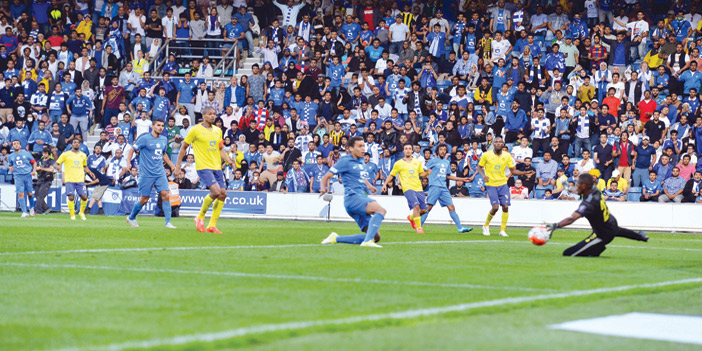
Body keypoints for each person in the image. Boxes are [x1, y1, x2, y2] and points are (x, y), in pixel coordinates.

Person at [545, 173, 649, 257]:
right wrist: (567, 187)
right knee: (618, 231)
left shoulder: (588, 204)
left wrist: (555, 226)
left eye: (579, 184)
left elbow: (572, 219)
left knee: (569, 253)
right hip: (610, 222)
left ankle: (598, 247)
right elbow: (578, 191)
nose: (577, 186)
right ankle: (640, 236)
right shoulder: (594, 190)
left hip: (603, 234)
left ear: (584, 186)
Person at [175, 107, 235, 234]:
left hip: (217, 167)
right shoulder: (195, 130)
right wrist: (178, 166)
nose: (213, 116)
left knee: (223, 194)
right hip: (203, 166)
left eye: (214, 114)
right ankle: (200, 217)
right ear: (204, 116)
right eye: (210, 114)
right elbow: (183, 148)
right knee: (217, 192)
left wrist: (228, 159)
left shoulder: (218, 131)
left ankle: (212, 225)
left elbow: (220, 149)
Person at [319, 136, 385, 248]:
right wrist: (323, 187)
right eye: (360, 146)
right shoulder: (344, 161)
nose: (363, 149)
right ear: (350, 148)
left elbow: (361, 177)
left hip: (360, 197)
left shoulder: (360, 161)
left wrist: (369, 186)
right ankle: (367, 242)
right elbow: (327, 176)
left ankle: (335, 238)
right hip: (354, 198)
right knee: (381, 210)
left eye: (363, 146)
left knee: (375, 237)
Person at [125, 118, 179, 229]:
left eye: (162, 125)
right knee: (144, 199)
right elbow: (132, 150)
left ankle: (168, 222)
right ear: (152, 126)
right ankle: (131, 217)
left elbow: (163, 154)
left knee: (166, 195)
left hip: (160, 172)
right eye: (158, 125)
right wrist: (128, 162)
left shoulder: (164, 139)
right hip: (146, 173)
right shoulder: (144, 138)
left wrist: (172, 165)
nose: (161, 127)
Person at [477, 136, 534, 237]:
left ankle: (502, 230)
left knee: (505, 207)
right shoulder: (486, 155)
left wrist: (525, 173)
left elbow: (513, 171)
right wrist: (483, 175)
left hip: (503, 183)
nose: (498, 143)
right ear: (493, 143)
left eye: (500, 142)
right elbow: (479, 167)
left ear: (503, 144)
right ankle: (486, 225)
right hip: (491, 184)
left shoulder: (507, 156)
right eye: (496, 142)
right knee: (495, 207)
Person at [419, 144, 473, 233]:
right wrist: (428, 175)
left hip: (444, 188)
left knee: (451, 207)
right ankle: (419, 226)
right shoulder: (433, 161)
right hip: (435, 187)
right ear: (437, 151)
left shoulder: (446, 162)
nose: (443, 151)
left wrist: (462, 179)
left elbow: (448, 176)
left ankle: (460, 228)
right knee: (428, 207)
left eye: (444, 149)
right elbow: (424, 169)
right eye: (441, 149)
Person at [382, 143, 429, 234]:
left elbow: (421, 173)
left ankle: (411, 218)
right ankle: (419, 228)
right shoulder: (398, 163)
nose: (407, 150)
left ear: (412, 151)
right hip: (407, 188)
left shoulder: (417, 162)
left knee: (424, 210)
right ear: (403, 151)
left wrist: (427, 173)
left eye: (409, 148)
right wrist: (385, 184)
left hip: (418, 187)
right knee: (416, 206)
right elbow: (392, 175)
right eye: (406, 148)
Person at [54, 138, 94, 220]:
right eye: (74, 142)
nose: (76, 144)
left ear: (79, 145)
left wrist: (90, 173)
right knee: (71, 197)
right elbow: (56, 164)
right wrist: (59, 168)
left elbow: (85, 166)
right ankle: (72, 215)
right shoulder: (65, 154)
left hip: (80, 179)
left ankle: (81, 213)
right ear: (71, 144)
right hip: (69, 179)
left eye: (78, 143)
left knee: (84, 197)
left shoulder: (83, 155)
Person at [8, 140, 37, 217]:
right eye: (14, 144)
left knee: (30, 194)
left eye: (18, 144)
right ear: (12, 146)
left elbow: (34, 162)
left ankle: (31, 208)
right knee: (20, 193)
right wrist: (11, 168)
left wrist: (34, 170)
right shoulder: (10, 156)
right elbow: (10, 165)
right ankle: (24, 212)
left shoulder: (27, 154)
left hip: (27, 175)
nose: (16, 145)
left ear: (20, 146)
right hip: (18, 176)